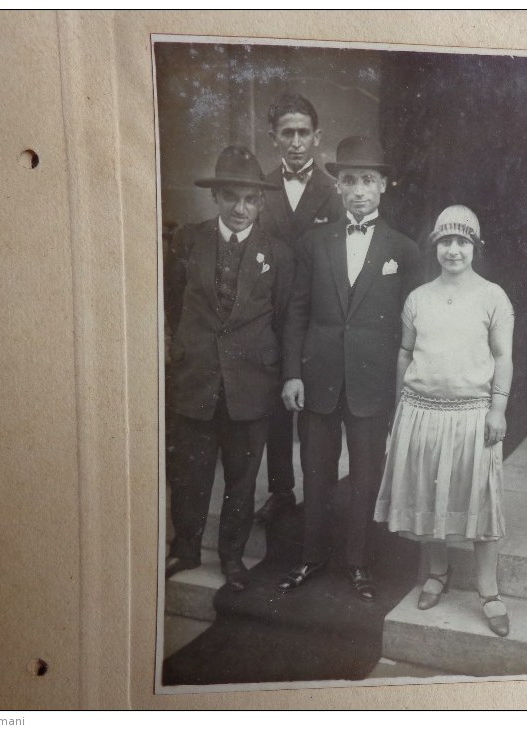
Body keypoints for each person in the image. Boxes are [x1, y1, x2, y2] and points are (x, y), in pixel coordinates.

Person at [278, 136, 421, 601]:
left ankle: (360, 563)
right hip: (317, 378)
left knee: (366, 475)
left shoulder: (403, 249)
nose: (359, 190)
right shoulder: (313, 242)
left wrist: (404, 385)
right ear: (338, 186)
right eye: (350, 180)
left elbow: (410, 324)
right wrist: (292, 374)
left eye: (367, 180)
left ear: (383, 185)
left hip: (372, 383)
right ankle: (311, 556)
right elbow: (297, 310)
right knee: (315, 471)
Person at [374, 205, 514, 637]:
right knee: (429, 495)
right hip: (420, 412)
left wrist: (498, 407)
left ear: (475, 247)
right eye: (446, 242)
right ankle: (437, 572)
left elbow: (503, 356)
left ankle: (488, 591)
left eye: (463, 241)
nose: (454, 250)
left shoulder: (493, 296)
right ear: (435, 246)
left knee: (482, 502)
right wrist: (399, 411)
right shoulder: (418, 297)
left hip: (472, 415)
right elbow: (404, 354)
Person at [163, 145, 293, 592]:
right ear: (216, 198)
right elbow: (173, 302)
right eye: (232, 198)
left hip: (251, 382)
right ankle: (185, 548)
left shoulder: (277, 253)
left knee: (242, 475)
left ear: (261, 202)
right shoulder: (187, 241)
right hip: (195, 376)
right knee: (189, 470)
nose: (241, 208)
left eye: (250, 200)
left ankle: (233, 557)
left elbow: (281, 318)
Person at [257, 93, 345, 524]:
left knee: (315, 412)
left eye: (303, 133)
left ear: (317, 137)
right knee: (277, 408)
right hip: (272, 317)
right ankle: (280, 490)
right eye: (287, 133)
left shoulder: (335, 191)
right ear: (274, 138)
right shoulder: (261, 189)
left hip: (319, 318)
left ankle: (318, 497)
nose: (296, 142)